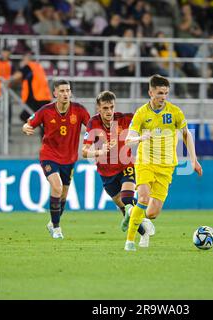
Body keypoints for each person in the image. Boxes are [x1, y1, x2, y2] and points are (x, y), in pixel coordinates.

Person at [123, 75, 203, 251]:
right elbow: (128, 139)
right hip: (145, 162)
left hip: (166, 166)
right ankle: (129, 241)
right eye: (160, 93)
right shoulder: (141, 113)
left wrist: (193, 159)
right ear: (150, 92)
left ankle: (133, 214)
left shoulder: (174, 112)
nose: (163, 97)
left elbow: (186, 134)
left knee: (152, 213)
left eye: (166, 93)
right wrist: (140, 138)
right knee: (143, 198)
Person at [82, 91, 155, 246]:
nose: (109, 111)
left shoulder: (124, 118)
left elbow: (144, 118)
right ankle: (143, 233)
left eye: (111, 107)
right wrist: (99, 151)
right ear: (99, 109)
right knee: (124, 208)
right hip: (105, 172)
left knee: (127, 199)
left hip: (125, 165)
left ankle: (141, 219)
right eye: (105, 108)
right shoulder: (93, 123)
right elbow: (84, 152)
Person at [22, 80, 90, 239]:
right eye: (62, 91)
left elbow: (92, 127)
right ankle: (57, 228)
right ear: (55, 93)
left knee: (63, 195)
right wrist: (26, 127)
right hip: (49, 155)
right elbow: (28, 123)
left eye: (68, 90)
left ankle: (52, 222)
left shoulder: (79, 110)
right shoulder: (46, 111)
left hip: (69, 158)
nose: (65, 94)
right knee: (57, 187)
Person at [10, 52, 52, 122]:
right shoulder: (37, 67)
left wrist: (7, 81)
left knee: (25, 116)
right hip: (44, 98)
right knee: (38, 119)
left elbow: (18, 75)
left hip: (36, 99)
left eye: (23, 60)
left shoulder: (28, 66)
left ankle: (37, 126)